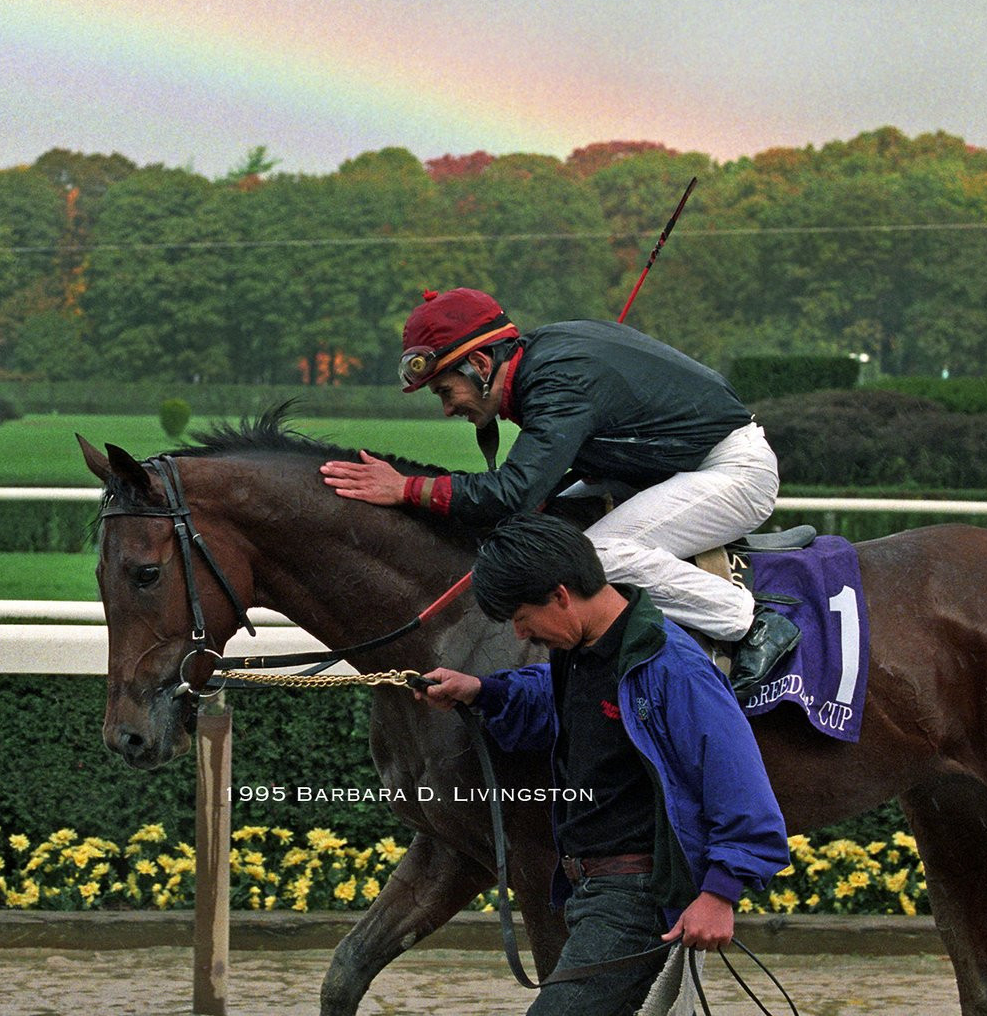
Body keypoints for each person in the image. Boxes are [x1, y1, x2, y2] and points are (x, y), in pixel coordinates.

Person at [321, 286, 799, 686]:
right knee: (544, 526)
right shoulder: (542, 363)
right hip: (664, 470)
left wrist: (407, 489)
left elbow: (512, 493)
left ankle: (751, 623)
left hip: (731, 471)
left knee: (595, 555)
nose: (448, 409)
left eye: (446, 390)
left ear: (480, 365)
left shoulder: (557, 381)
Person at [414, 513, 790, 1016]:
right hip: (585, 888)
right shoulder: (582, 651)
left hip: (635, 896)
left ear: (561, 595)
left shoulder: (675, 667)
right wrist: (484, 691)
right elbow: (555, 702)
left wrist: (719, 894)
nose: (522, 634)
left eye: (522, 617)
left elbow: (741, 787)